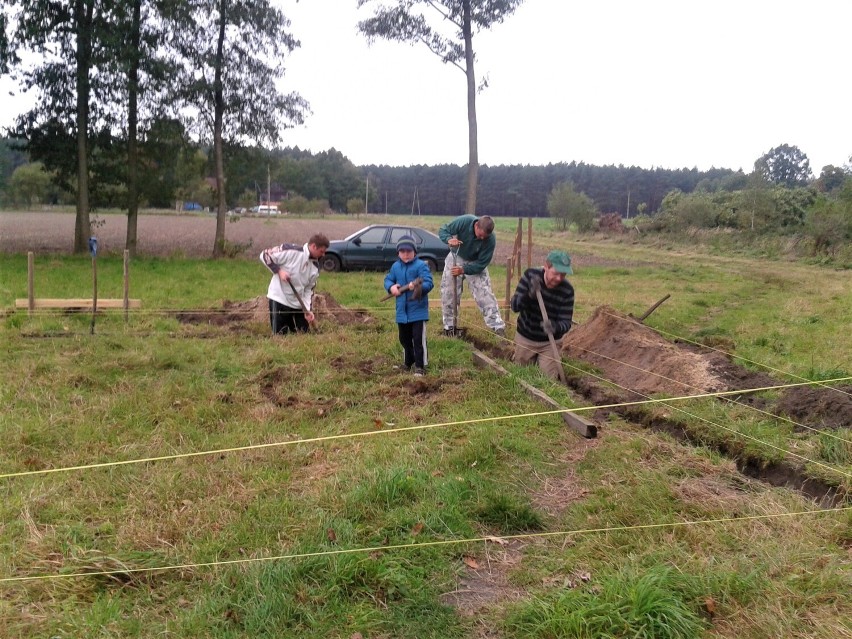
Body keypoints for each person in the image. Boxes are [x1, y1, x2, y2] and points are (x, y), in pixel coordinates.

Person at [510, 250, 575, 380]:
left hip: (549, 343)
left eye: (563, 275)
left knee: (548, 380)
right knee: (521, 376)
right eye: (556, 273)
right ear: (546, 267)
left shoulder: (567, 291)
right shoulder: (530, 277)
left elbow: (566, 322)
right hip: (526, 337)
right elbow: (515, 307)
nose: (559, 278)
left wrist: (555, 327)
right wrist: (528, 295)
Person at [437, 214, 506, 336]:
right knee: (449, 292)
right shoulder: (464, 221)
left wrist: (463, 269)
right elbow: (443, 230)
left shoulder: (490, 240)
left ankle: (497, 326)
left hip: (475, 262)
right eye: (480, 235)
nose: (481, 239)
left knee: (484, 294)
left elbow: (481, 264)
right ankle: (449, 326)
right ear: (476, 226)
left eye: (484, 237)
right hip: (456, 257)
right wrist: (449, 239)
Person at [260, 233, 330, 335]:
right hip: (280, 299)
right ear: (314, 246)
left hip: (298, 304)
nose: (323, 255)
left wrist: (307, 310)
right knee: (280, 335)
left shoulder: (315, 267)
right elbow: (265, 255)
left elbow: (308, 290)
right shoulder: (290, 251)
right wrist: (279, 271)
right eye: (321, 251)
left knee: (304, 335)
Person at [384, 235, 434, 376]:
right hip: (402, 312)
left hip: (417, 311)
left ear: (414, 252)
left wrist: (417, 287)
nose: (406, 254)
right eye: (402, 251)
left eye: (409, 251)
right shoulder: (395, 267)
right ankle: (408, 362)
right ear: (398, 253)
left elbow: (428, 283)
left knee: (418, 339)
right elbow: (388, 279)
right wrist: (391, 287)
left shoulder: (421, 266)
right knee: (404, 339)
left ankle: (420, 366)